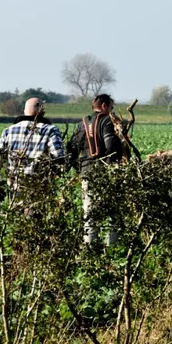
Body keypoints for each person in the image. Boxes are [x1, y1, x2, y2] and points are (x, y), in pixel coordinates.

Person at [67, 94, 124, 245]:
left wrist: (79, 169)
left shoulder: (82, 124)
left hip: (87, 173)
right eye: (111, 107)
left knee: (90, 214)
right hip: (107, 172)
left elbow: (71, 151)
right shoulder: (107, 121)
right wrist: (121, 141)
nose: (112, 111)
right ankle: (113, 247)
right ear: (104, 106)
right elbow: (110, 146)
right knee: (112, 213)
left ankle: (90, 249)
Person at [0, 98, 66, 201]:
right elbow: (59, 158)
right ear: (42, 111)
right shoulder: (50, 130)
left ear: (24, 111)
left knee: (16, 209)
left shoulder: (9, 131)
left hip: (15, 186)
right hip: (40, 187)